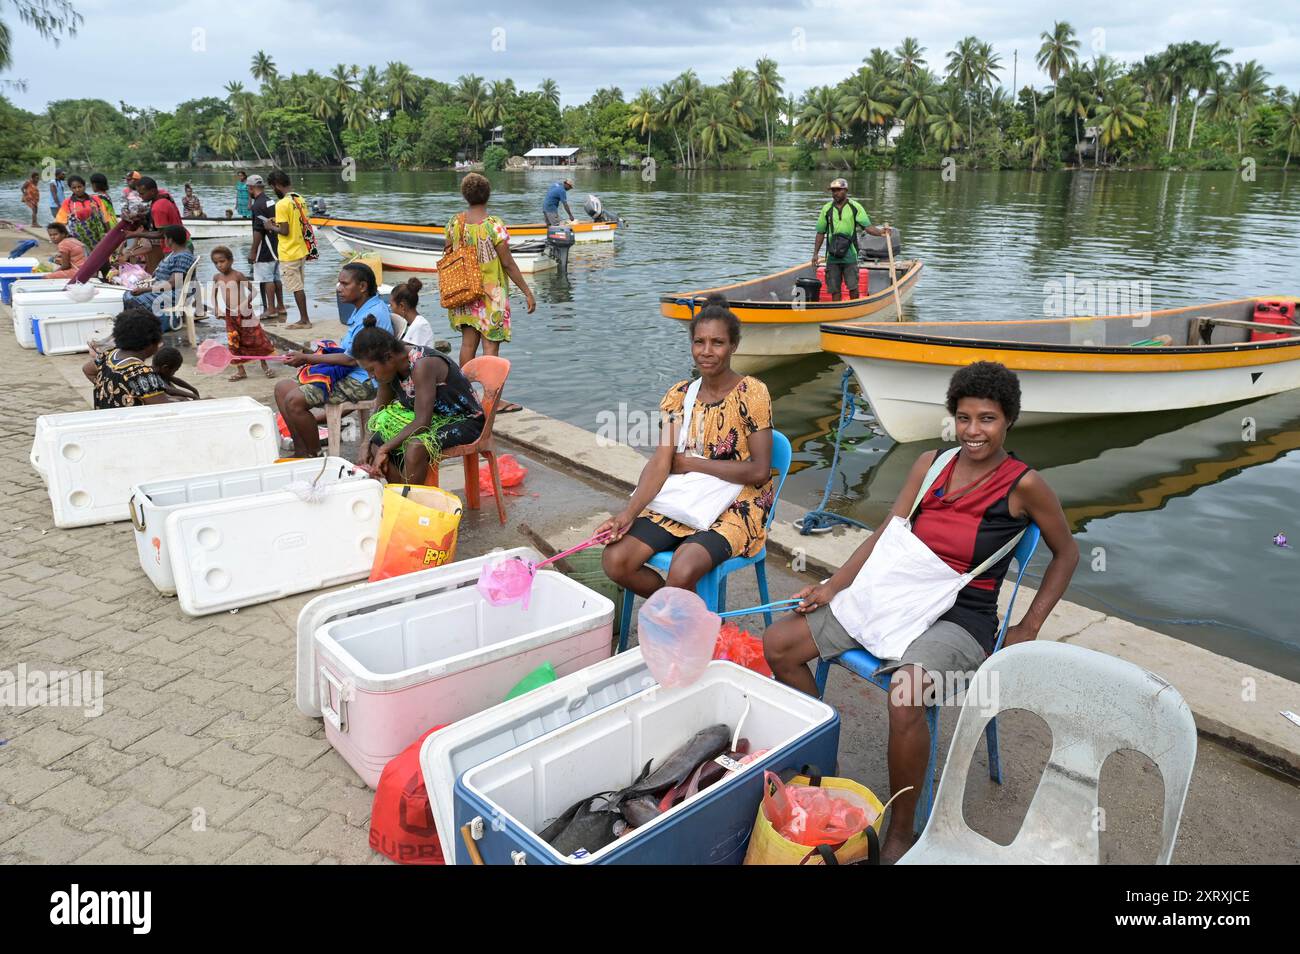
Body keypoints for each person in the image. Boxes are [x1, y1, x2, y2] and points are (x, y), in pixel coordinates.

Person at [761, 361, 1079, 863]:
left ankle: (902, 831)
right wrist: (833, 584)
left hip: (962, 617)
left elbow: (1068, 553)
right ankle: (820, 764)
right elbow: (889, 533)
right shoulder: (931, 464)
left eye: (988, 419)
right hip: (896, 593)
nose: (974, 431)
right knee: (778, 644)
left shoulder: (1025, 485)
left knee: (906, 695)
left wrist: (1029, 624)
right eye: (965, 417)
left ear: (1009, 421)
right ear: (953, 417)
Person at [599, 295, 775, 598]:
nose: (706, 352)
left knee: (683, 568)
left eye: (717, 343)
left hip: (737, 503)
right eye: (699, 342)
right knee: (616, 560)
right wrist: (627, 514)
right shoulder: (679, 394)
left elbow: (759, 471)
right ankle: (683, 611)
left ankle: (681, 618)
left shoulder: (752, 393)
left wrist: (693, 463)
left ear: (733, 346)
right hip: (689, 496)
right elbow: (661, 462)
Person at [275, 262, 394, 457]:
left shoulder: (373, 313)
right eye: (339, 283)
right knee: (282, 388)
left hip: (363, 381)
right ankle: (301, 450)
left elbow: (350, 360)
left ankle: (315, 455)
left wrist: (307, 358)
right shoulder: (363, 307)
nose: (339, 288)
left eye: (344, 284)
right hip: (349, 373)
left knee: (295, 400)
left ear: (362, 287)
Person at [351, 320, 485, 483]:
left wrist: (385, 449)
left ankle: (412, 500)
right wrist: (366, 442)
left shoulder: (422, 364)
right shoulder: (388, 371)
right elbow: (380, 408)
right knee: (377, 442)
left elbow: (422, 422)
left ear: (388, 357)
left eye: (371, 369)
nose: (371, 376)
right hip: (435, 419)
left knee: (416, 446)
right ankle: (402, 493)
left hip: (466, 422)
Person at [446, 172, 535, 409]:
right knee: (490, 346)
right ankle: (492, 400)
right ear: (488, 195)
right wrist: (526, 290)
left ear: (464, 196)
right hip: (491, 293)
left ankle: (465, 396)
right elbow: (507, 263)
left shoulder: (455, 223)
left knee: (467, 344)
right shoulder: (494, 226)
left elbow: (448, 253)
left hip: (463, 291)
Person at [81, 308, 179, 408]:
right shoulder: (142, 374)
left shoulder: (108, 355)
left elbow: (87, 370)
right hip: (130, 422)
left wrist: (110, 392)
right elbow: (164, 408)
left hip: (107, 419)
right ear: (150, 343)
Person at [811, 177, 886, 302]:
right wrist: (815, 254)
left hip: (850, 254)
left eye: (838, 190)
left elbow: (868, 228)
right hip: (832, 255)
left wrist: (881, 233)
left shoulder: (855, 207)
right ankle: (837, 311)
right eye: (833, 191)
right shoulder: (827, 209)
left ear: (845, 190)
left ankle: (854, 308)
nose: (835, 193)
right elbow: (820, 232)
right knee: (834, 289)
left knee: (853, 287)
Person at [211, 245, 274, 380]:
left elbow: (254, 291)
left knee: (256, 339)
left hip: (246, 313)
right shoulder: (217, 278)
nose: (219, 265)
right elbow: (214, 295)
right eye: (216, 263)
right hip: (230, 315)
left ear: (231, 261)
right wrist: (217, 308)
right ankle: (241, 371)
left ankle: (265, 366)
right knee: (234, 341)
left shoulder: (238, 275)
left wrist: (244, 304)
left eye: (222, 261)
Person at [265, 169, 313, 329]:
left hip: (289, 251)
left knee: (296, 287)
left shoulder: (281, 204)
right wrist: (277, 221)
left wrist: (270, 226)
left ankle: (304, 320)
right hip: (301, 249)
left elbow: (285, 231)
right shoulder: (299, 198)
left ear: (278, 185)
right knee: (299, 285)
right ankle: (304, 318)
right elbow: (297, 222)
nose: (273, 190)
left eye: (273, 187)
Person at [123, 224, 195, 322]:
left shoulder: (182, 257)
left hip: (174, 294)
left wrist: (145, 290)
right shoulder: (175, 254)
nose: (164, 240)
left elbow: (173, 283)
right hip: (164, 290)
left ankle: (147, 323)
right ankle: (137, 323)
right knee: (128, 294)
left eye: (165, 238)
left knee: (132, 298)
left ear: (170, 240)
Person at [246, 175, 284, 321]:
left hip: (265, 246)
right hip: (276, 245)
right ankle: (281, 306)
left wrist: (253, 251)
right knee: (276, 278)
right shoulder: (270, 201)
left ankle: (270, 309)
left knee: (266, 278)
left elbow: (258, 230)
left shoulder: (257, 205)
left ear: (251, 188)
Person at [55, 175, 116, 251]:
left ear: (84, 186)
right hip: (79, 240)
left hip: (98, 236)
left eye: (79, 186)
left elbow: (105, 218)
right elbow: (61, 222)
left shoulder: (95, 199)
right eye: (74, 188)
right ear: (70, 189)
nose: (77, 190)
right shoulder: (67, 203)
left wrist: (109, 234)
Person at [390, 278, 434, 347]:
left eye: (392, 305)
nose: (391, 308)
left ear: (402, 306)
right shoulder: (412, 323)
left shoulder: (420, 326)